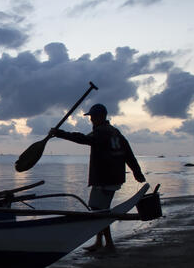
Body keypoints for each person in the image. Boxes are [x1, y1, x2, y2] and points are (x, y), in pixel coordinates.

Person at [49, 103, 145, 253]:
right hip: (113, 177)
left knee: (99, 211)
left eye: (93, 117)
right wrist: (137, 172)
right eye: (91, 117)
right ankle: (100, 242)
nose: (91, 120)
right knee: (99, 210)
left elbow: (82, 139)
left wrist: (60, 133)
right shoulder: (114, 131)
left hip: (105, 178)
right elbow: (128, 154)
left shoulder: (101, 132)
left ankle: (109, 244)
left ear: (100, 117)